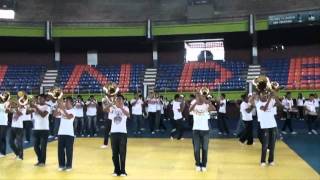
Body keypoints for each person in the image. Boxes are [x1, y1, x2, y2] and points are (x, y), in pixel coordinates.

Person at [189, 92, 215, 172]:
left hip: (205, 130)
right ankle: (197, 164)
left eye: (201, 95)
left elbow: (213, 109)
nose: (199, 97)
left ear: (204, 96)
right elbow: (189, 110)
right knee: (196, 149)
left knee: (205, 148)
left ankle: (204, 165)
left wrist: (207, 101)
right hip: (196, 130)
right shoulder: (193, 102)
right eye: (198, 95)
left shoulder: (206, 103)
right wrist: (195, 103)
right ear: (196, 96)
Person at [105, 94, 130, 177]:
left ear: (123, 101)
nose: (118, 101)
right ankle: (116, 170)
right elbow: (105, 109)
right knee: (114, 153)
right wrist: (110, 103)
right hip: (113, 133)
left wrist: (121, 107)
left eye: (120, 99)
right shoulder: (112, 108)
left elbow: (128, 115)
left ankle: (123, 171)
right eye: (117, 99)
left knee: (122, 152)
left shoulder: (126, 108)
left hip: (123, 133)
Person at [255, 91, 282, 167]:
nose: (265, 96)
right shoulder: (258, 104)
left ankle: (271, 160)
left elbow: (280, 105)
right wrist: (270, 98)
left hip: (273, 125)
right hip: (265, 126)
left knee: (272, 145)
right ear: (260, 96)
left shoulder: (271, 100)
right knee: (265, 145)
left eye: (266, 95)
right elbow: (264, 109)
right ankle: (262, 161)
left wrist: (275, 96)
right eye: (263, 95)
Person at [55, 96, 75, 171]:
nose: (65, 103)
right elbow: (55, 115)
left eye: (67, 101)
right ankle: (61, 165)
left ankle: (69, 166)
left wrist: (63, 109)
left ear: (71, 103)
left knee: (69, 151)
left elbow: (69, 117)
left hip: (69, 134)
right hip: (61, 133)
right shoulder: (62, 109)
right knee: (60, 150)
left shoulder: (73, 110)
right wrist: (58, 106)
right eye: (65, 101)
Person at [29, 94, 50, 166]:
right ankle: (40, 160)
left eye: (40, 99)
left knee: (43, 147)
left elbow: (43, 115)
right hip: (36, 129)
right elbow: (27, 112)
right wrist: (29, 105)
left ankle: (42, 162)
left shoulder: (47, 107)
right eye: (38, 99)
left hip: (44, 129)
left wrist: (36, 107)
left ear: (44, 99)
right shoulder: (35, 106)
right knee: (35, 147)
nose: (39, 100)